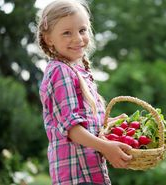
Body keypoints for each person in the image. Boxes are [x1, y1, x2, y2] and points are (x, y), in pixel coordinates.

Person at [37, 0, 132, 184]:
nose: (78, 39)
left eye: (82, 30)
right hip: (77, 174)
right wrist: (106, 147)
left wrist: (111, 125)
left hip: (88, 172)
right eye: (67, 33)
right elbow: (72, 129)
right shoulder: (60, 71)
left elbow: (84, 124)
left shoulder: (77, 70)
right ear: (49, 39)